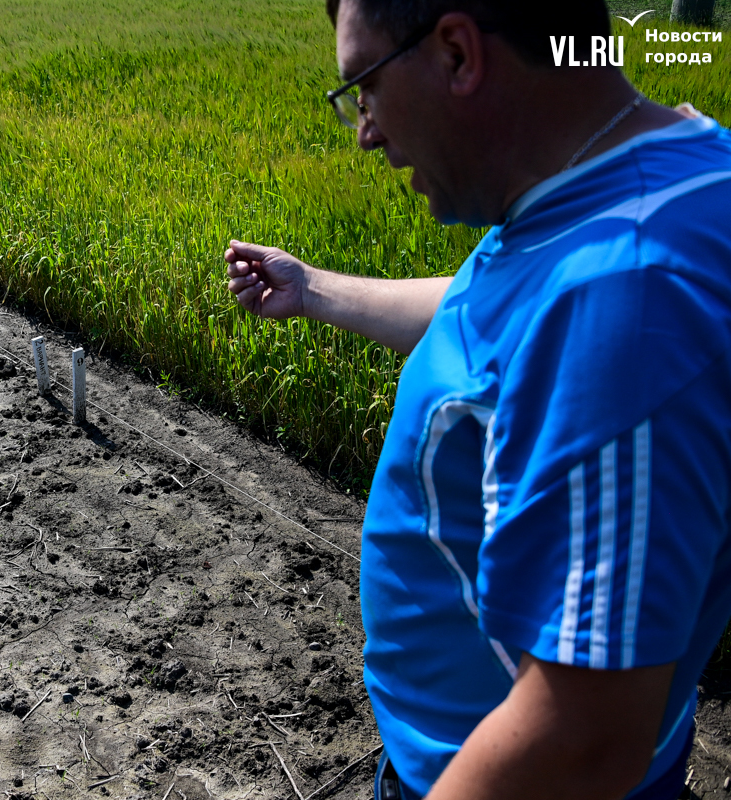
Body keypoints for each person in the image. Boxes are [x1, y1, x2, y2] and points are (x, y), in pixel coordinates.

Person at [224, 1, 731, 798]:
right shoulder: (651, 178)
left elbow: (584, 737)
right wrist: (315, 289)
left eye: (363, 86)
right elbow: (505, 315)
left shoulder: (625, 295)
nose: (365, 130)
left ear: (458, 52)